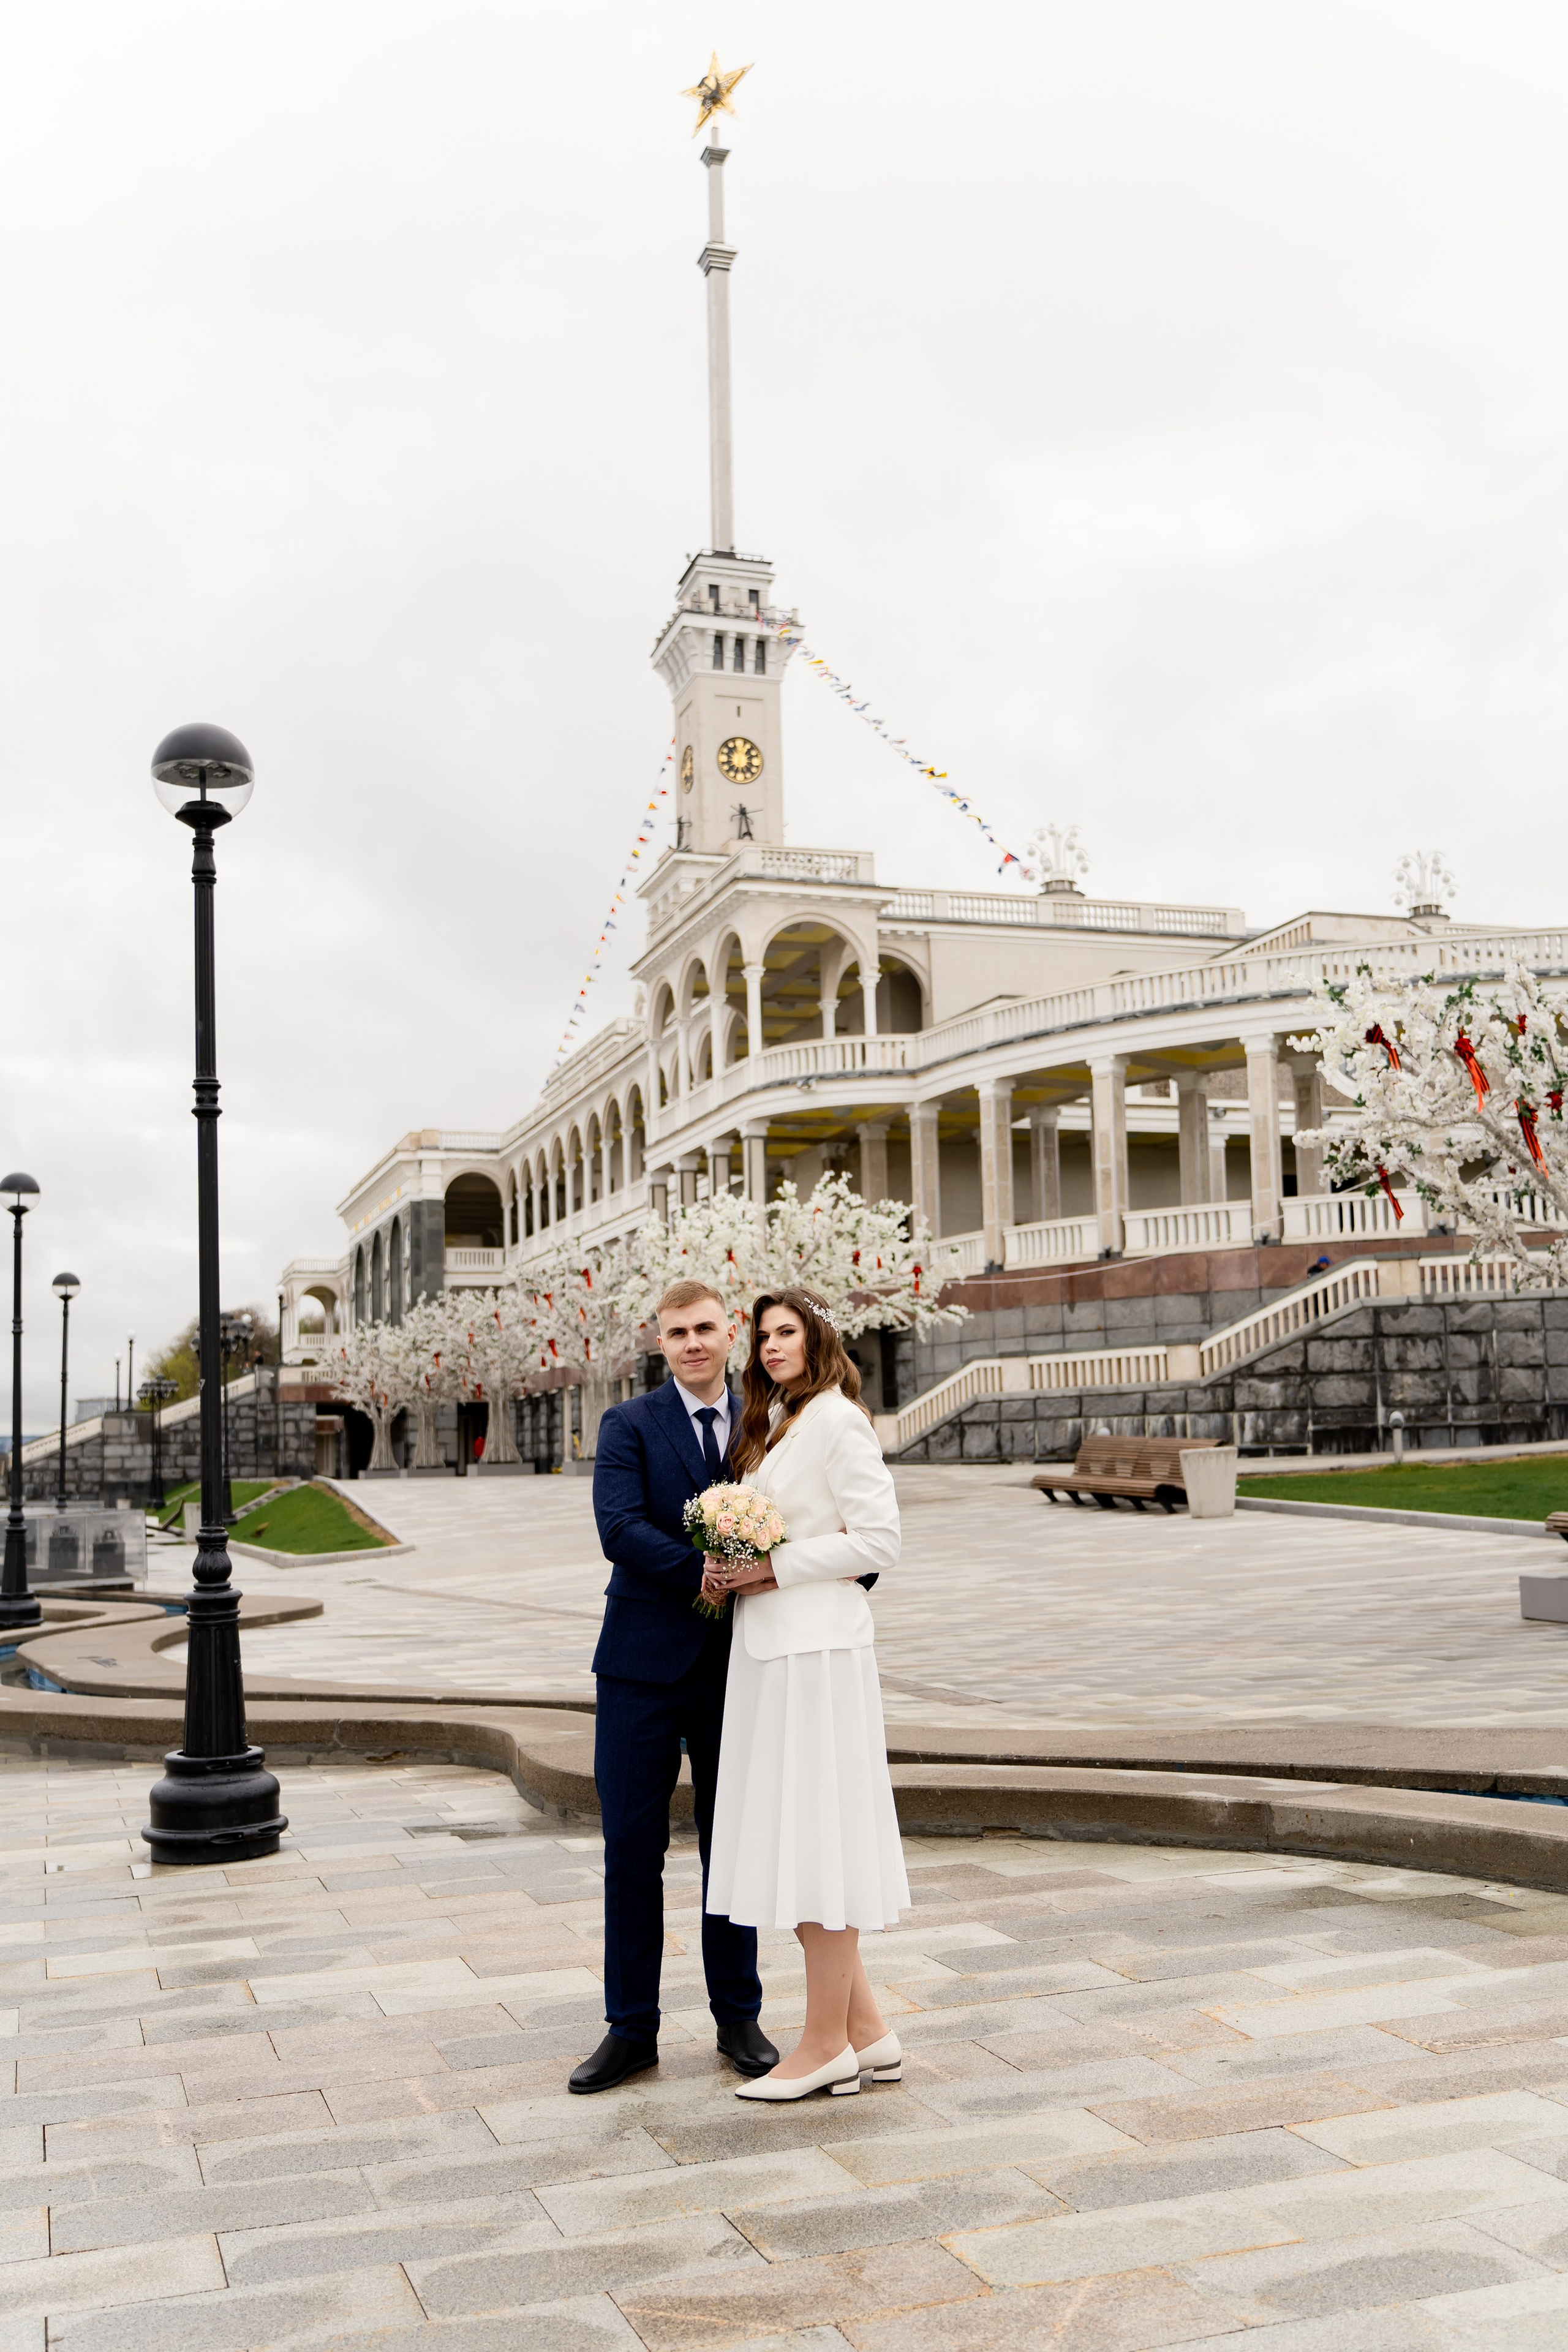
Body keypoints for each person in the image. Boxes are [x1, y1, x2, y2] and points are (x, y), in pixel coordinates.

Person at [570, 1278, 780, 2094]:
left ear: (731, 1334)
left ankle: (739, 2019)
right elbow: (618, 1529)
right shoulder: (628, 1424)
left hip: (740, 1668)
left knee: (733, 1849)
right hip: (639, 1670)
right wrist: (711, 1571)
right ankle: (631, 2031)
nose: (692, 1343)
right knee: (632, 1850)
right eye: (675, 1332)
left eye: (705, 1328)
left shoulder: (768, 1427)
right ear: (659, 1342)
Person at [704, 1286, 909, 2101]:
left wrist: (776, 1567)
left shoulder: (835, 1419)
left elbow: (880, 1540)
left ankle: (824, 2046)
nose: (771, 1347)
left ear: (818, 1337)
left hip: (818, 1653)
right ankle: (868, 2032)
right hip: (768, 1653)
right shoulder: (777, 1422)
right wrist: (728, 1567)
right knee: (794, 1834)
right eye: (762, 1337)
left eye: (787, 1333)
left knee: (816, 1837)